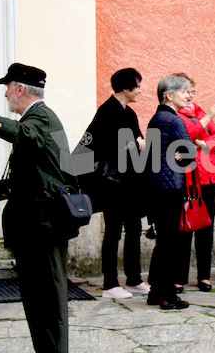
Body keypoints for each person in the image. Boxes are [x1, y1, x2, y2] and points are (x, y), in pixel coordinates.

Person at [0, 63, 71, 352]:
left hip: (43, 227)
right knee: (39, 301)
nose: (6, 95)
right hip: (39, 226)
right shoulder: (43, 120)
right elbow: (56, 168)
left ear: (19, 88)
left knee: (47, 302)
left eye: (7, 88)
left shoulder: (40, 119)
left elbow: (24, 135)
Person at [76, 68, 149, 299]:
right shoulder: (107, 112)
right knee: (113, 232)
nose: (140, 90)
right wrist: (134, 144)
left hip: (129, 183)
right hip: (111, 184)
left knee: (135, 229)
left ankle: (134, 279)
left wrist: (135, 144)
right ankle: (109, 284)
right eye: (137, 86)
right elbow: (96, 147)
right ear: (126, 88)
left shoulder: (129, 113)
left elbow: (140, 142)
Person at [146, 74, 195, 310]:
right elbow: (190, 152)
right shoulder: (174, 120)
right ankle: (167, 295)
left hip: (157, 187)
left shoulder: (156, 118)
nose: (189, 95)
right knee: (170, 244)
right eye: (184, 91)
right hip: (171, 187)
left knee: (163, 243)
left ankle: (156, 292)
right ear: (169, 95)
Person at [173, 73, 215, 293]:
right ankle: (179, 277)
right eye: (186, 92)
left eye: (192, 91)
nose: (190, 96)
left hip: (210, 176)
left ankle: (204, 276)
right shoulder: (174, 115)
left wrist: (205, 144)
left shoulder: (201, 112)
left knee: (206, 226)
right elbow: (184, 138)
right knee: (185, 227)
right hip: (188, 176)